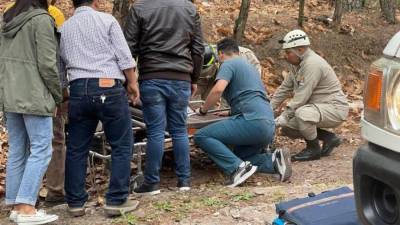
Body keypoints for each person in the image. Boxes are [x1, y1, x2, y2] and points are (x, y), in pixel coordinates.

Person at [60, 0, 140, 217]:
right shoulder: (107, 20)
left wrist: (65, 93)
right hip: (108, 86)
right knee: (121, 145)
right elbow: (124, 57)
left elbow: (60, 65)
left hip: (77, 87)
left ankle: (75, 203)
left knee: (77, 148)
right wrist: (132, 84)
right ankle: (116, 199)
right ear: (95, 2)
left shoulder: (64, 27)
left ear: (73, 5)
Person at [124, 0, 204, 195]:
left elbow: (128, 49)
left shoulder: (139, 8)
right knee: (179, 130)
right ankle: (184, 181)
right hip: (181, 78)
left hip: (151, 77)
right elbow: (198, 48)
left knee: (156, 132)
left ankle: (151, 183)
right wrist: (194, 78)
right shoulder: (189, 9)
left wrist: (130, 81)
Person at [193, 38, 292, 188]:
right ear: (237, 51)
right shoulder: (249, 67)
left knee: (202, 135)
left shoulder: (228, 64)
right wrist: (230, 113)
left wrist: (203, 110)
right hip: (267, 123)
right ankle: (273, 159)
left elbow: (218, 89)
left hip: (252, 121)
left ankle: (237, 169)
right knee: (243, 156)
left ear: (220, 54)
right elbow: (250, 95)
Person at [0, 0, 62, 223]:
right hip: (35, 95)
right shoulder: (42, 20)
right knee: (41, 149)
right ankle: (26, 207)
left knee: (18, 149)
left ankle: (16, 206)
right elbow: (48, 64)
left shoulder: (7, 20)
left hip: (10, 95)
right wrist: (57, 95)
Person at [272, 30, 349, 162]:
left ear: (300, 49)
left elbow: (302, 96)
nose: (286, 56)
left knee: (302, 113)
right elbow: (284, 89)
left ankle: (313, 149)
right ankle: (329, 138)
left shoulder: (312, 64)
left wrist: (285, 115)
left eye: (288, 52)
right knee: (287, 127)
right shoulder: (297, 66)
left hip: (334, 108)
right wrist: (267, 108)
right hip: (317, 107)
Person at [197, 44, 262, 100]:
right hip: (215, 73)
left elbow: (253, 83)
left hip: (241, 81)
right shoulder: (200, 53)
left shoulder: (245, 56)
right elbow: (200, 83)